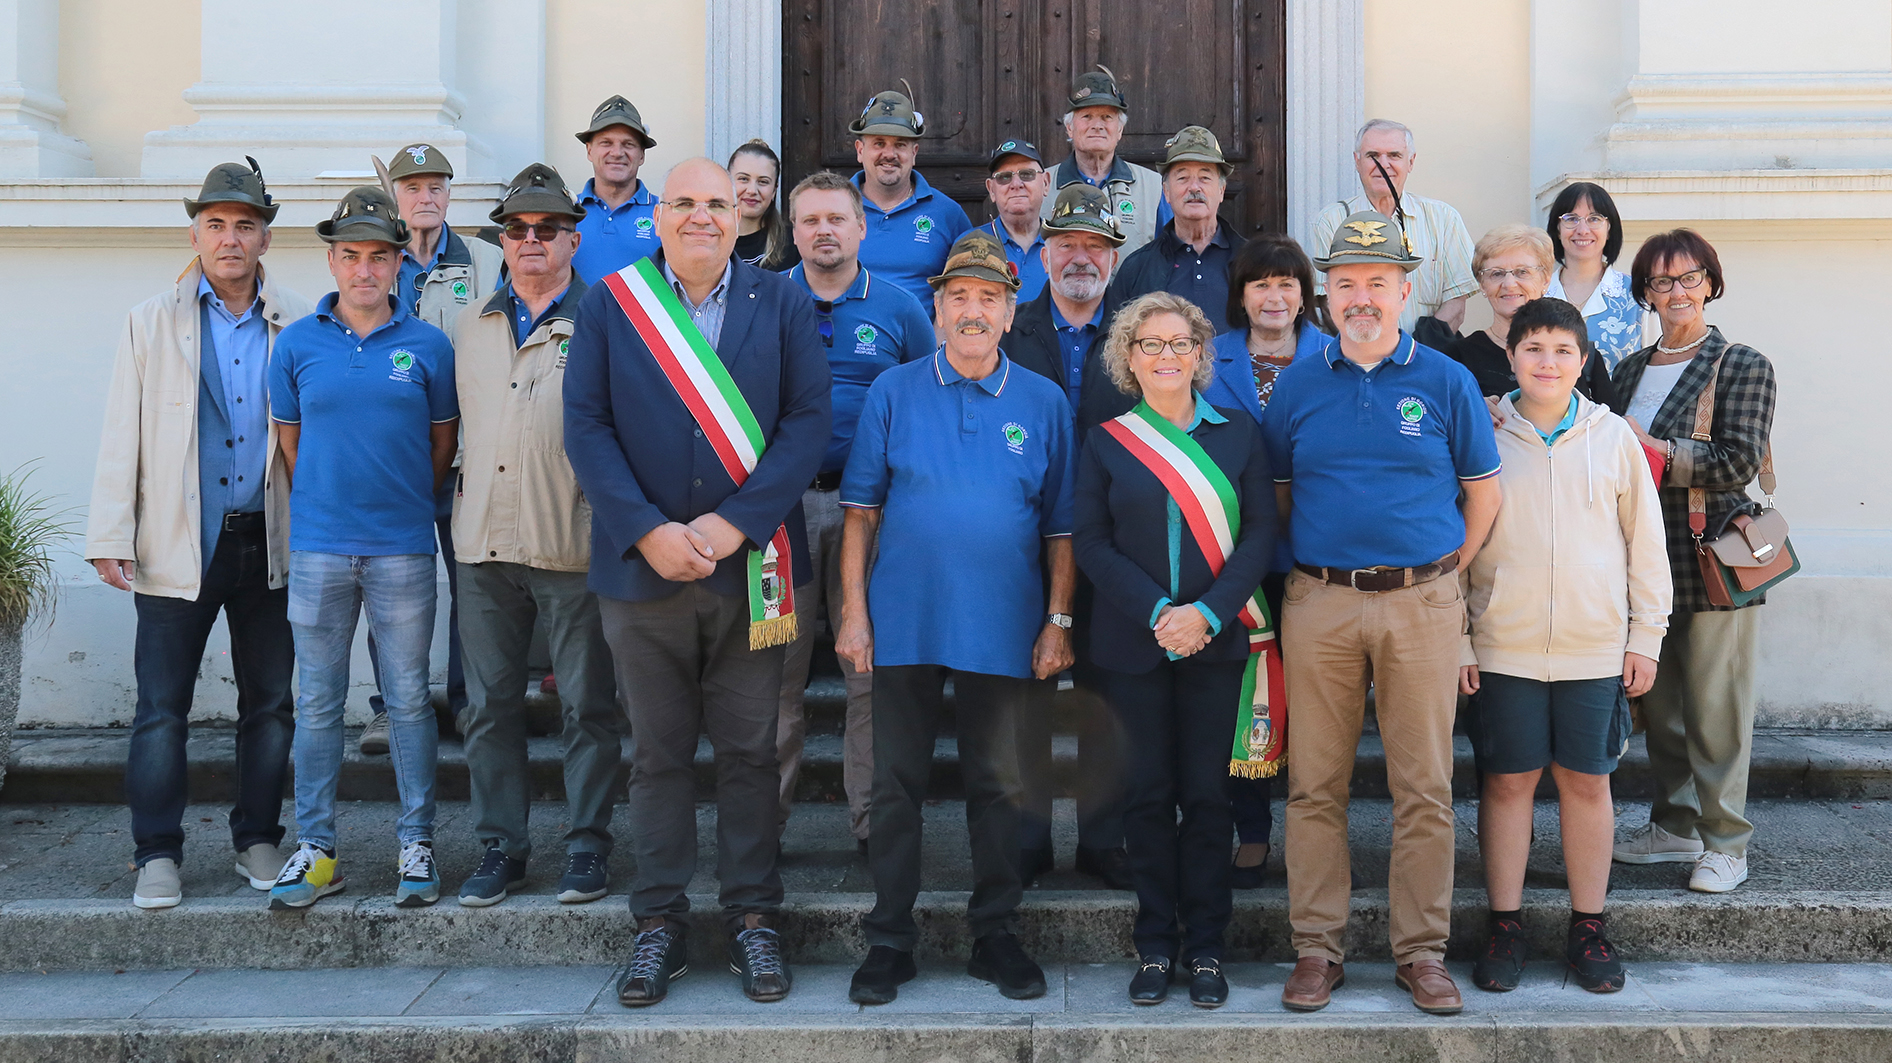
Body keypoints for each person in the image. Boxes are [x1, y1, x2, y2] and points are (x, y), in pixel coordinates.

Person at [564, 158, 830, 1007]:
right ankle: (660, 923)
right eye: (685, 203)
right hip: (642, 573)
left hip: (751, 570)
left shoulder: (781, 300)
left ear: (741, 216)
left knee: (753, 753)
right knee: (658, 756)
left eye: (719, 203)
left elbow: (806, 424)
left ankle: (754, 916)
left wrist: (732, 524)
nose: (703, 217)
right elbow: (586, 426)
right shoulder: (611, 303)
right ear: (659, 216)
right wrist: (646, 529)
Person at [1262, 210, 1502, 1016]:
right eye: (1346, 283)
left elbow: (1484, 493)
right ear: (1324, 295)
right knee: (1315, 784)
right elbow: (1281, 491)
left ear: (1405, 290)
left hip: (1423, 605)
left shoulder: (1446, 380)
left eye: (1377, 283)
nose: (1360, 297)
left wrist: (1443, 577)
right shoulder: (1297, 381)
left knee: (1424, 786)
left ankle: (1421, 952)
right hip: (1321, 602)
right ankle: (1316, 948)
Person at [839, 230, 1075, 1006]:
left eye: (988, 299)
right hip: (903, 618)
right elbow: (860, 512)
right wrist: (853, 613)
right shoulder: (894, 390)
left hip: (1005, 624)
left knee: (999, 784)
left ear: (1011, 313)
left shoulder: (1043, 400)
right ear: (936, 310)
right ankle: (889, 940)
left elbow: (1061, 529)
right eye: (958, 299)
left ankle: (995, 934)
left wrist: (1057, 620)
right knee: (896, 784)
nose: (972, 312)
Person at [85, 160, 312, 910]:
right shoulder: (150, 321)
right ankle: (157, 852)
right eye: (215, 224)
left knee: (271, 701)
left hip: (267, 539)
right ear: (195, 233)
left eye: (244, 225)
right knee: (160, 707)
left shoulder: (298, 322)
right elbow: (124, 431)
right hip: (179, 538)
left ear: (266, 238)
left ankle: (257, 836)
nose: (229, 238)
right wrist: (110, 530)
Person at [1459, 297, 1671, 995]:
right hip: (1504, 644)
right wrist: (1461, 636)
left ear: (1583, 362)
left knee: (1587, 781)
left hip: (1594, 645)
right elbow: (1459, 542)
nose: (1547, 362)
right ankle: (1507, 923)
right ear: (1512, 355)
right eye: (1533, 348)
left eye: (1562, 350)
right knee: (1509, 780)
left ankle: (1588, 925)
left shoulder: (1613, 439)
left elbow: (1646, 543)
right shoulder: (1484, 433)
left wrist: (1645, 635)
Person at [1073, 292, 1274, 1008]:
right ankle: (1156, 943)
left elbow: (1259, 538)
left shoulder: (1239, 434)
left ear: (1199, 354)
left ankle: (1209, 948)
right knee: (1148, 798)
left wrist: (1209, 614)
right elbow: (1091, 543)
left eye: (1178, 343)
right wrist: (1162, 611)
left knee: (1209, 798)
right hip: (1134, 643)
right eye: (1149, 344)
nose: (1165, 355)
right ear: (1129, 358)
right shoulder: (1105, 440)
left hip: (1216, 646)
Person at [266, 187, 458, 911]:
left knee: (407, 696)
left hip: (403, 546)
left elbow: (441, 444)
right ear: (333, 260)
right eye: (352, 255)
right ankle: (316, 847)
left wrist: (401, 497)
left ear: (398, 263)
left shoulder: (427, 345)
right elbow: (291, 444)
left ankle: (417, 841)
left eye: (380, 256)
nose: (365, 269)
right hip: (318, 546)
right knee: (316, 700)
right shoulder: (298, 342)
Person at [449, 164, 621, 908]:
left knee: (587, 704)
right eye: (516, 231)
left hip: (570, 543)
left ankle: (587, 845)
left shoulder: (605, 323)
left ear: (573, 241)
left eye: (545, 230)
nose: (529, 242)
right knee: (489, 706)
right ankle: (501, 846)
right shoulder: (472, 326)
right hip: (483, 543)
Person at [1610, 230, 1777, 895]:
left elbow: (1738, 459)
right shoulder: (1627, 368)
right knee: (1664, 704)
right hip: (1642, 555)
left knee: (1716, 706)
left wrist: (1652, 449)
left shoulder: (1740, 363)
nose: (1676, 291)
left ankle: (1726, 839)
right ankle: (1674, 823)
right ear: (1645, 293)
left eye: (1688, 277)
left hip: (1713, 552)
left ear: (1710, 281)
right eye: (1660, 281)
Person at [775, 171, 935, 850]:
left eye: (837, 219)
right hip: (779, 516)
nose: (824, 231)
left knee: (868, 673)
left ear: (862, 226)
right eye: (810, 220)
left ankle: (872, 826)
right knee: (772, 674)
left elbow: (931, 405)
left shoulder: (900, 309)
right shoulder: (765, 301)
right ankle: (764, 825)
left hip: (868, 514)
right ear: (794, 229)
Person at [1003, 183, 1133, 890]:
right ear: (1042, 253)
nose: (1080, 257)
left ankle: (1102, 839)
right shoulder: (1009, 329)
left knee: (1109, 697)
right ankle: (1024, 839)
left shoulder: (1145, 336)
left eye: (1095, 246)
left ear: (1115, 258)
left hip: (1116, 544)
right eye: (1067, 244)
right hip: (1024, 542)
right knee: (1025, 691)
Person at [356, 141, 500, 754]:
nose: (426, 197)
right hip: (395, 463)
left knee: (474, 589)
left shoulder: (487, 263)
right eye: (413, 187)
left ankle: (474, 706)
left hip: (467, 458)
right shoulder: (375, 263)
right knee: (391, 590)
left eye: (437, 186)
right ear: (396, 195)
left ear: (450, 194)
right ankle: (393, 707)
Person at [1201, 233, 1329, 890]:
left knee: (1314, 702)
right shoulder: (1207, 358)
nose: (1274, 296)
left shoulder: (1337, 358)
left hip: (1315, 561)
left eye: (1287, 283)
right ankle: (1250, 831)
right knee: (1240, 696)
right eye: (1260, 284)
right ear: (1240, 294)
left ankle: (1313, 837)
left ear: (1305, 294)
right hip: (1234, 562)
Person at [1312, 120, 1476, 335]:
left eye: (1394, 155)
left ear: (1411, 162)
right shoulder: (1331, 221)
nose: (1383, 164)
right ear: (1357, 161)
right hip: (1358, 360)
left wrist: (1413, 355)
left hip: (1424, 360)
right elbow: (1327, 303)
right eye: (1373, 156)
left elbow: (1456, 303)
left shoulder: (1444, 219)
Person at [1445, 225, 1617, 409]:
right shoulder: (1457, 358)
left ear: (1545, 280)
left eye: (1523, 272)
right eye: (1497, 273)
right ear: (1482, 285)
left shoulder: (1580, 354)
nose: (1509, 284)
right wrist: (1472, 411)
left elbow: (1612, 427)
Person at [1109, 127, 1245, 331]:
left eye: (1205, 177)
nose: (1194, 187)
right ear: (1166, 192)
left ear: (1221, 191)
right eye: (1182, 178)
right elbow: (1115, 345)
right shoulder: (1137, 269)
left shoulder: (1251, 262)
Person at [849, 86, 973, 307]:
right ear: (860, 150)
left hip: (922, 341)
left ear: (914, 153)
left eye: (900, 144)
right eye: (879, 143)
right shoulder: (835, 208)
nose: (889, 154)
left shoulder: (948, 214)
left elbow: (966, 291)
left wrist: (936, 340)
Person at [1043, 66, 1167, 254]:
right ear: (1069, 128)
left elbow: (1171, 254)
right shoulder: (1041, 186)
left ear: (1119, 129)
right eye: (1087, 116)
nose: (1097, 125)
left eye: (1106, 117)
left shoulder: (1155, 187)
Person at [1545, 181, 1645, 371]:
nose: (1582, 230)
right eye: (1571, 219)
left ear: (1609, 229)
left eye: (1594, 219)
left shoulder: (1638, 295)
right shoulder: (1538, 294)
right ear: (1558, 229)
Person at [571, 95, 660, 282]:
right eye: (606, 143)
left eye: (628, 144)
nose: (617, 153)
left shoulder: (665, 215)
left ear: (642, 155)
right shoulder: (566, 212)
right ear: (589, 150)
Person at [975, 139, 1051, 302]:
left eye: (1027, 174)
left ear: (1046, 183)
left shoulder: (1064, 245)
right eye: (1004, 177)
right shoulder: (969, 245)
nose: (1016, 184)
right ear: (991, 189)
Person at [730, 139, 799, 271]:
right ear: (728, 182)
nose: (752, 190)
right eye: (743, 179)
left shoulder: (794, 243)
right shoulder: (709, 238)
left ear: (774, 191)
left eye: (763, 181)